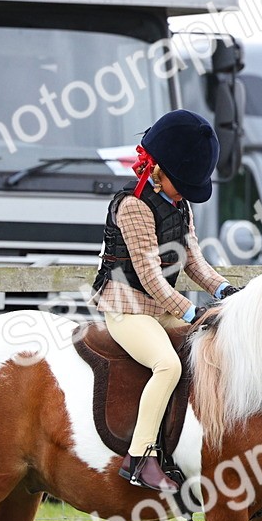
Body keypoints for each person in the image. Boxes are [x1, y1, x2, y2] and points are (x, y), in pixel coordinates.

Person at [91, 109, 238, 493]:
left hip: (159, 309)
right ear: (159, 169)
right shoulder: (133, 205)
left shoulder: (178, 203)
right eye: (183, 183)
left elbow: (192, 258)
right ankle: (140, 458)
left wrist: (224, 290)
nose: (186, 192)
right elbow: (149, 275)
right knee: (167, 366)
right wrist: (190, 311)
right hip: (126, 307)